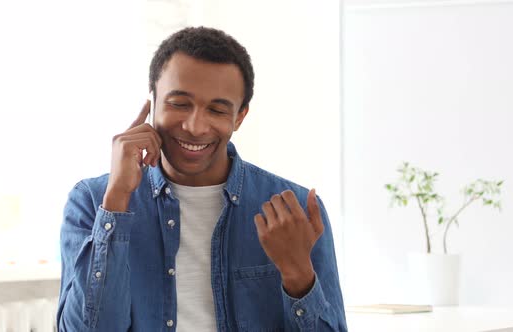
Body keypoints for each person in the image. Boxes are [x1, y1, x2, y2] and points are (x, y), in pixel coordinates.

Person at [57, 27, 347, 332]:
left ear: (239, 117)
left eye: (217, 109)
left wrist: (298, 274)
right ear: (153, 100)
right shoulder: (93, 201)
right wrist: (116, 200)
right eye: (179, 104)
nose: (195, 127)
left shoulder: (295, 211)